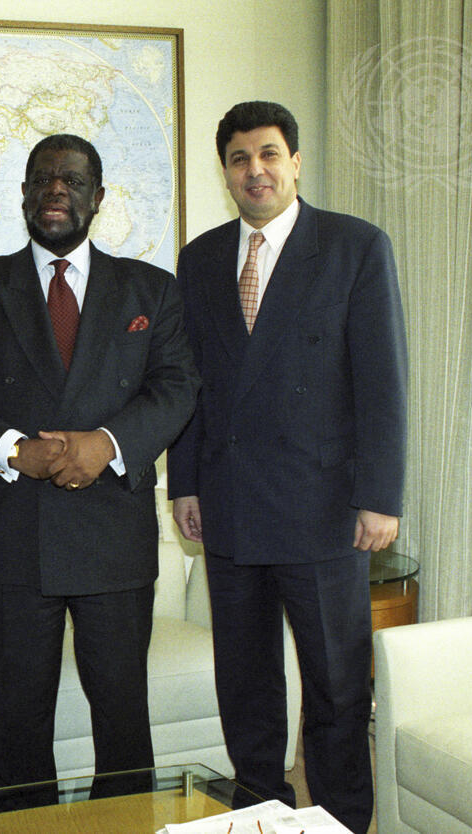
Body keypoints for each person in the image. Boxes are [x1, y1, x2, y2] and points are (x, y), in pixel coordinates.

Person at [0, 134, 199, 808]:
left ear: (97, 198)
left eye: (73, 181)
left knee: (122, 721)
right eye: (43, 179)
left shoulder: (151, 289)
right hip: (16, 537)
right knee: (16, 721)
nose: (56, 191)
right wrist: (13, 449)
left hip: (114, 539)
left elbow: (176, 387)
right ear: (23, 194)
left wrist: (106, 443)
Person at [167, 101, 407, 834]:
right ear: (225, 172)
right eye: (240, 158)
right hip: (230, 503)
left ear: (295, 162)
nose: (256, 170)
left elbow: (383, 381)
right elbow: (190, 382)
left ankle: (340, 821)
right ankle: (258, 813)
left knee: (336, 684)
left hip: (325, 508)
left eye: (269, 154)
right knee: (246, 684)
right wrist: (184, 483)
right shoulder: (200, 259)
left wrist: (380, 496)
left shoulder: (355, 246)